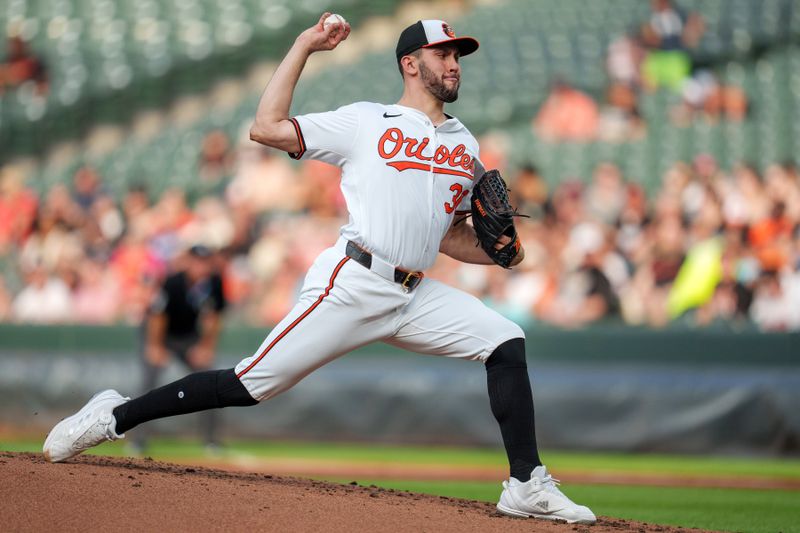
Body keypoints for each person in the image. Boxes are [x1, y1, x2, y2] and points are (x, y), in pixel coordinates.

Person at [43, 15, 596, 524]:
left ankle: (525, 482)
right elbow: (266, 126)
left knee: (505, 338)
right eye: (443, 53)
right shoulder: (365, 121)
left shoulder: (464, 144)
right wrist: (305, 44)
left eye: (458, 55)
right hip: (353, 282)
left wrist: (502, 251)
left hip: (415, 294)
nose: (454, 64)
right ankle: (115, 416)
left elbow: (452, 236)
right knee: (249, 384)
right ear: (410, 63)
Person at [132, 244, 227, 452]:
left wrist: (205, 347)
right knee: (149, 385)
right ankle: (138, 440)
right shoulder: (173, 282)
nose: (200, 267)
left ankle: (210, 441)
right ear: (189, 262)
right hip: (160, 335)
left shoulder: (214, 283)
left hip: (189, 337)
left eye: (204, 262)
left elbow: (214, 318)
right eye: (196, 261)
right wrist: (155, 347)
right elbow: (158, 316)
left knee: (210, 381)